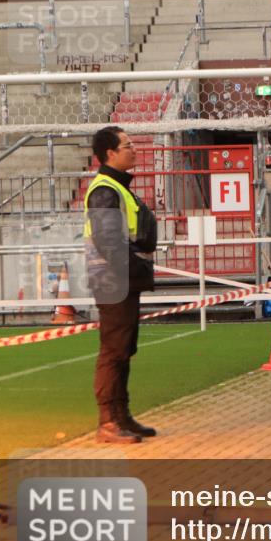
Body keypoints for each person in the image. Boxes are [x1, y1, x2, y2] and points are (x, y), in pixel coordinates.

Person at [85, 126, 158, 443]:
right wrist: (132, 270)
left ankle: (122, 416)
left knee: (123, 349)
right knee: (114, 351)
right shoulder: (105, 190)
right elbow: (109, 242)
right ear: (110, 154)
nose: (134, 149)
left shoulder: (116, 187)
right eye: (127, 145)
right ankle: (108, 422)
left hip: (122, 278)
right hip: (114, 280)